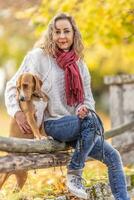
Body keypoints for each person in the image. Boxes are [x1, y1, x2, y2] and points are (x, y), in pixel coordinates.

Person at [5, 13, 130, 200]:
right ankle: (75, 171)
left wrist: (84, 108)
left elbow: (88, 100)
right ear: (51, 35)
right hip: (53, 124)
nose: (62, 36)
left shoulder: (80, 64)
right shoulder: (38, 57)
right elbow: (11, 86)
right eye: (57, 32)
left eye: (66, 31)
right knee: (91, 122)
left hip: (80, 126)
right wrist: (17, 112)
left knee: (113, 156)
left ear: (74, 34)